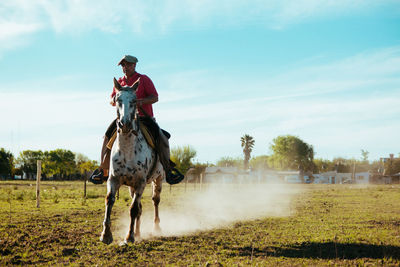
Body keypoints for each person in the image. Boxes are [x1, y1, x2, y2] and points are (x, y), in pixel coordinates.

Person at [89, 55, 183, 185]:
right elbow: (111, 99)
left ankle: (168, 171)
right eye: (123, 65)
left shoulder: (144, 79)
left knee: (162, 138)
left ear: (134, 65)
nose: (125, 67)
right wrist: (115, 99)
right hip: (124, 118)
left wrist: (141, 102)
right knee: (107, 136)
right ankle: (103, 170)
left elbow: (155, 97)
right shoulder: (120, 82)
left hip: (144, 118)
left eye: (128, 65)